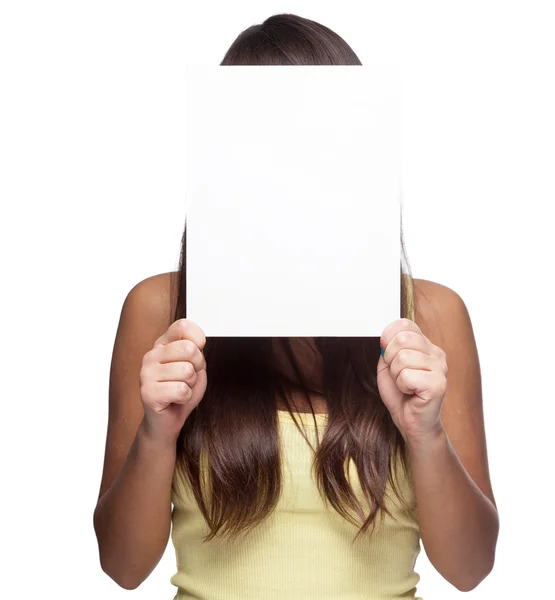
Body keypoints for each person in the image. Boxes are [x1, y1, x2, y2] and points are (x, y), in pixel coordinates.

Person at [93, 13, 499, 600]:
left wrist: (425, 433)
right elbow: (121, 566)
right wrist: (157, 433)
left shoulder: (431, 317)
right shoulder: (161, 311)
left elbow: (471, 568)